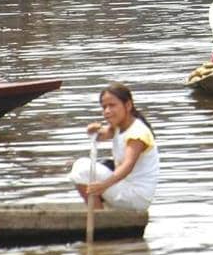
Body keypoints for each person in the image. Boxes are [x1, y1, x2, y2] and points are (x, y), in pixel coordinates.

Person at [68, 83, 159, 212]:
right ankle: (98, 212)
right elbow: (102, 134)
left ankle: (99, 216)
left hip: (136, 196)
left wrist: (103, 186)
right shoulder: (119, 126)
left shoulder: (137, 133)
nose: (107, 111)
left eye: (112, 106)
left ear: (128, 105)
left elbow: (127, 166)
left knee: (82, 168)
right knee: (83, 165)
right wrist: (94, 130)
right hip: (125, 188)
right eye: (104, 107)